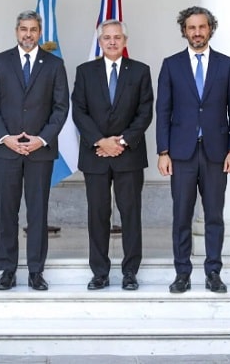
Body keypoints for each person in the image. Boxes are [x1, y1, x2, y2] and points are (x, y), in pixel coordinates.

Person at [156, 6, 230, 294]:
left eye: (201, 27)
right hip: (181, 154)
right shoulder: (171, 65)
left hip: (217, 153)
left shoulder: (226, 65)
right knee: (181, 215)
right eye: (191, 28)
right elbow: (163, 110)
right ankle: (182, 273)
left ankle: (213, 272)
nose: (196, 32)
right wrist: (163, 151)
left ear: (210, 29)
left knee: (214, 215)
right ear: (184, 31)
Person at [0, 10, 69, 291]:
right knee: (7, 212)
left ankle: (35, 270)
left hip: (40, 152)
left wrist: (41, 139)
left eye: (33, 29)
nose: (28, 34)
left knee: (38, 212)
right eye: (23, 29)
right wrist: (4, 137)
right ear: (16, 31)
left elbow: (60, 107)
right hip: (6, 151)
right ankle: (7, 269)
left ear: (40, 32)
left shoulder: (54, 65)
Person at [71, 19, 153, 291]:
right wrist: (100, 141)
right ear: (100, 41)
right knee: (97, 214)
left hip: (128, 154)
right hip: (95, 154)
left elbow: (145, 112)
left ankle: (130, 272)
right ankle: (100, 272)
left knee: (130, 214)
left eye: (117, 37)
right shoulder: (85, 72)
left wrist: (123, 141)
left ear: (125, 41)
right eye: (107, 37)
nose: (112, 41)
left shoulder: (140, 71)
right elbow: (79, 110)